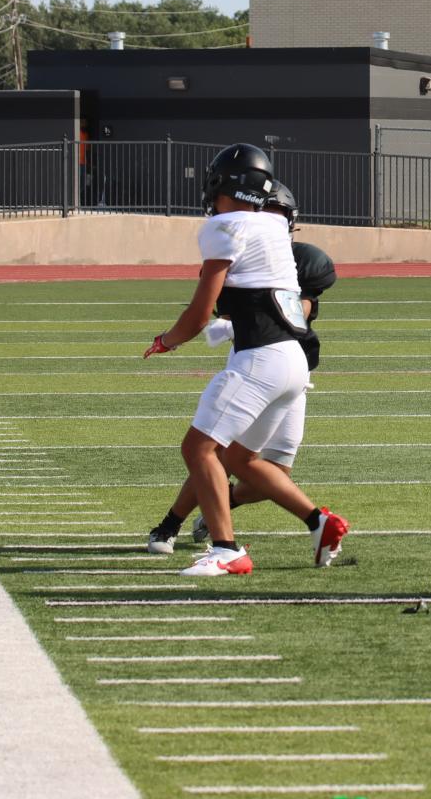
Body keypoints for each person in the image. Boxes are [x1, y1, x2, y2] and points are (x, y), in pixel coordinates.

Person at [142, 148, 348, 576]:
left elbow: (201, 313)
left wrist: (167, 340)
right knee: (241, 460)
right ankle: (319, 522)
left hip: (262, 358)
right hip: (295, 361)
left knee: (198, 448)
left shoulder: (225, 224)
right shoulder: (273, 224)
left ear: (224, 184)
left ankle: (227, 548)